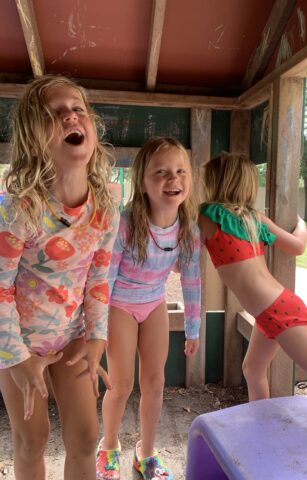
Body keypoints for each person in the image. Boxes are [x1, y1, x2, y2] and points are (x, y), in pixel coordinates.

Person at [0, 75, 120, 480]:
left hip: (72, 337)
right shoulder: (19, 209)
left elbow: (99, 280)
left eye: (78, 109)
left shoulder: (105, 206)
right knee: (31, 440)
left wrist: (97, 340)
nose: (71, 116)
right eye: (56, 113)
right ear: (35, 137)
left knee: (86, 438)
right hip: (19, 343)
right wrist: (16, 360)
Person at [199, 152, 307, 402]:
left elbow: (183, 256)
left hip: (279, 313)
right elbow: (298, 245)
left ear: (217, 182)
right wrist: (301, 223)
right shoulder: (254, 219)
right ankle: (261, 429)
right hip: (273, 309)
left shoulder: (208, 214)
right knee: (252, 370)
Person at [96, 137, 201, 480]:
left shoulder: (188, 228)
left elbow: (191, 279)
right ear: (143, 181)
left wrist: (193, 328)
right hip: (119, 305)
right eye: (162, 172)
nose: (173, 179)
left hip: (154, 302)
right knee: (121, 384)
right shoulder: (125, 224)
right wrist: (96, 329)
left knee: (155, 383)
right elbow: (105, 279)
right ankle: (108, 447)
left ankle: (146, 454)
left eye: (180, 171)